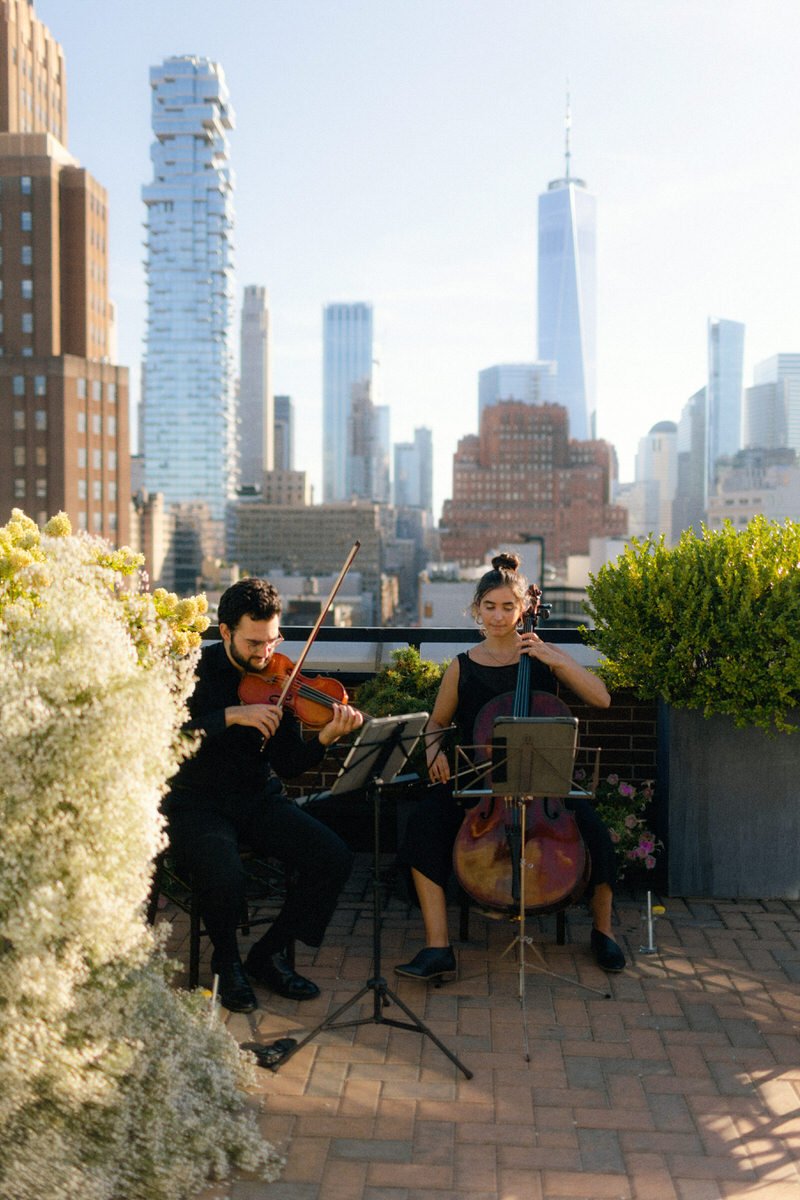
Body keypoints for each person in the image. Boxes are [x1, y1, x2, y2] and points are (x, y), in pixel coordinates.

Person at [394, 553, 626, 981]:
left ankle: (604, 931)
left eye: (507, 607)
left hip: (542, 780)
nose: (498, 616)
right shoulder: (461, 667)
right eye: (489, 606)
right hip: (479, 783)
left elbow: (602, 698)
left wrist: (557, 659)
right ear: (476, 609)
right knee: (424, 827)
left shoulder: (542, 658)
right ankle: (437, 946)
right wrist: (434, 752)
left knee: (594, 832)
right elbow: (437, 723)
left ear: (522, 611)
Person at [164, 577, 363, 1013]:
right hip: (197, 801)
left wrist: (325, 737)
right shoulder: (190, 670)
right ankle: (227, 961)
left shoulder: (280, 679)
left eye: (272, 641)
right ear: (225, 632)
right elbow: (164, 736)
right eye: (254, 642)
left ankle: (267, 954)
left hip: (256, 798)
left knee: (332, 856)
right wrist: (232, 715)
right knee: (226, 873)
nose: (265, 653)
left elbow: (289, 764)